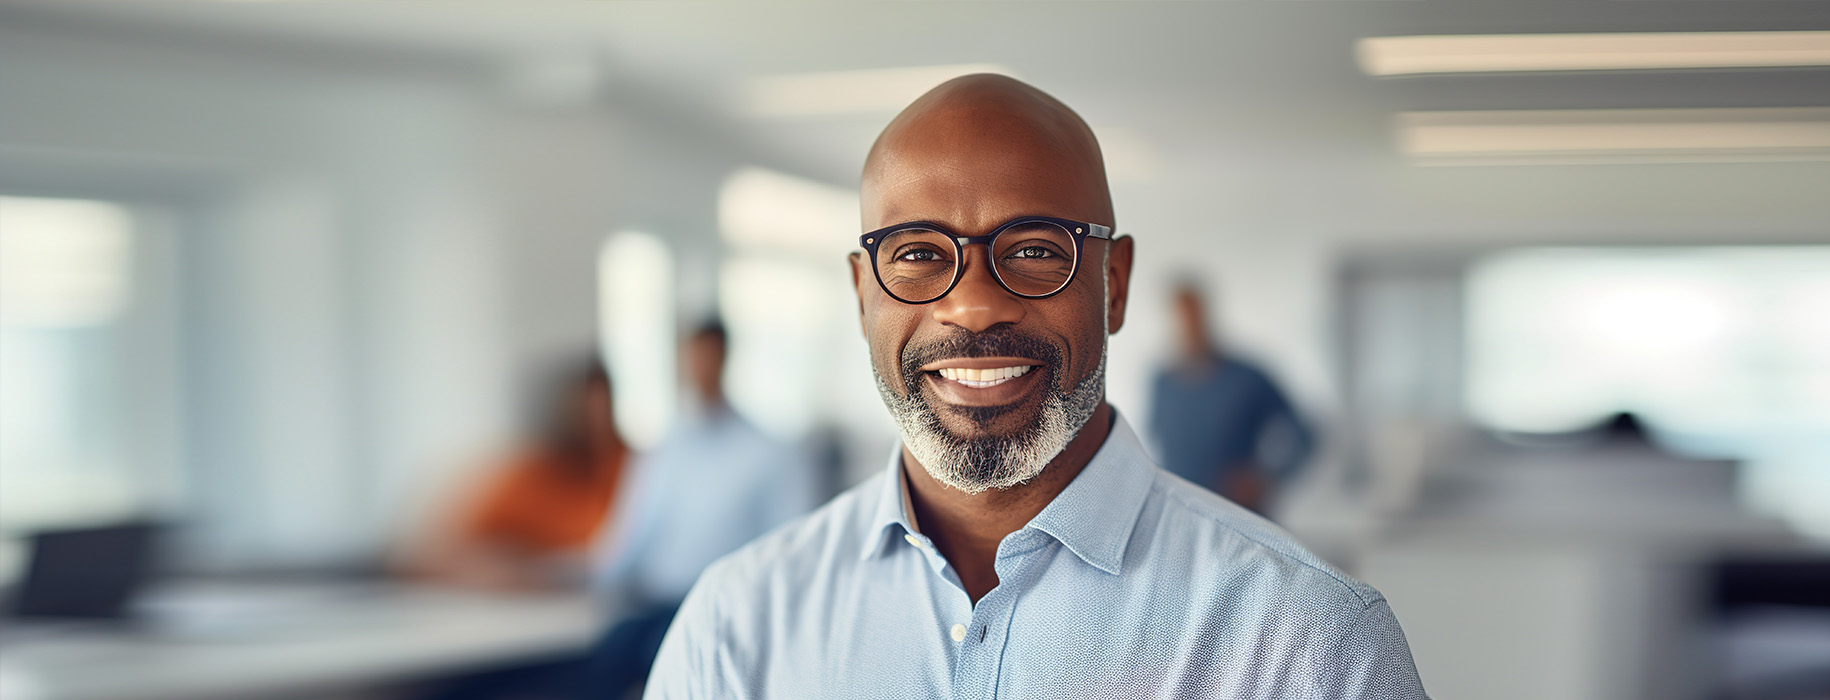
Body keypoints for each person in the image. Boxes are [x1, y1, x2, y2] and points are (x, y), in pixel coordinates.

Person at [644, 75, 1424, 698]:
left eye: (1036, 250)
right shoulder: (736, 626)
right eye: (917, 254)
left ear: (1113, 285)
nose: (974, 305)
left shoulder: (1307, 642)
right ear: (861, 294)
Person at [586, 320, 819, 698]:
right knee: (605, 657)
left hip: (723, 611)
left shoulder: (771, 453)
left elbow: (792, 556)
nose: (700, 367)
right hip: (655, 605)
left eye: (708, 357)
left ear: (725, 358)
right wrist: (542, 576)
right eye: (693, 357)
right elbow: (624, 546)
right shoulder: (664, 449)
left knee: (660, 661)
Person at [402, 357, 626, 591]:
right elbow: (432, 552)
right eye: (584, 409)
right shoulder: (529, 476)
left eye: (603, 407)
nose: (594, 422)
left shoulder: (634, 470)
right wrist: (510, 569)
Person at [1150, 281, 1316, 512]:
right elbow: (1154, 445)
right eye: (1181, 319)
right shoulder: (1162, 383)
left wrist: (1267, 478)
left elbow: (1304, 435)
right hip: (1184, 521)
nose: (1188, 326)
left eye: (1193, 317)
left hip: (1242, 521)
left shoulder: (1248, 379)